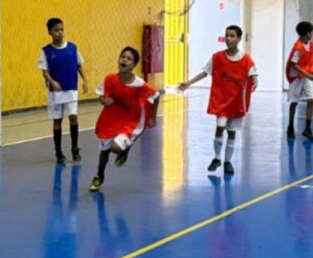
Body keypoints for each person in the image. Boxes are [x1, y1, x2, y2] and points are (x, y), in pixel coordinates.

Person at [178, 25, 258, 175]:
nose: (229, 38)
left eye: (232, 36)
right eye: (227, 35)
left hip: (237, 101)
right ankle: (216, 157)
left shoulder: (246, 59)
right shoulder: (217, 57)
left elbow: (253, 72)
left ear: (239, 39)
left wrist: (255, 81)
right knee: (220, 126)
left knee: (232, 132)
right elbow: (205, 72)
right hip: (221, 100)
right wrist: (189, 83)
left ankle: (227, 161)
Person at [89, 47, 160, 192]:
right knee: (104, 151)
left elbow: (156, 95)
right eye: (123, 57)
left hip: (130, 121)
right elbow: (101, 95)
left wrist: (152, 117)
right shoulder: (110, 79)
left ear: (134, 65)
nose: (124, 60)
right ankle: (99, 176)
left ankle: (124, 148)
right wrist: (104, 101)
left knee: (115, 148)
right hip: (111, 118)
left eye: (129, 58)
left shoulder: (139, 84)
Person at [38, 18, 89, 164]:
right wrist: (52, 82)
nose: (60, 32)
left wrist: (85, 80)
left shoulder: (72, 48)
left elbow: (79, 65)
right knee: (57, 122)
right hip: (56, 92)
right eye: (56, 30)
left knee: (73, 117)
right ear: (50, 32)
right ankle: (58, 152)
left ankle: (75, 148)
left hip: (71, 89)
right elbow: (44, 71)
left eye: (62, 29)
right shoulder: (46, 51)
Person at [285, 21, 313, 140]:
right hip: (297, 76)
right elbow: (294, 64)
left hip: (306, 74)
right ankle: (290, 127)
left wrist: (312, 70)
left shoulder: (311, 44)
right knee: (294, 102)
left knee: (311, 99)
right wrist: (307, 75)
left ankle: (307, 129)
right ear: (307, 33)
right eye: (311, 32)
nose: (312, 34)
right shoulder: (298, 47)